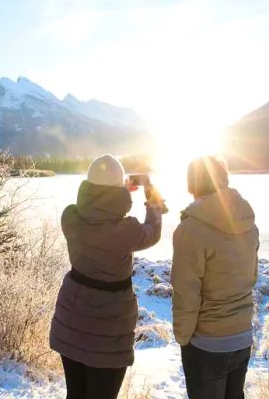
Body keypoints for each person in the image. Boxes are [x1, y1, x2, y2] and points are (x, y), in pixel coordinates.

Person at [50, 154, 166, 399]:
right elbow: (153, 231)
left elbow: (93, 209)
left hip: (71, 325)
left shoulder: (70, 219)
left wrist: (114, 191)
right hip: (108, 334)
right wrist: (150, 193)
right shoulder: (127, 231)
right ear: (118, 191)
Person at [171, 155, 259, 399]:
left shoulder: (190, 230)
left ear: (192, 185)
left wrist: (183, 337)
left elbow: (186, 290)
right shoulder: (248, 224)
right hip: (241, 338)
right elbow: (251, 277)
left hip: (207, 343)